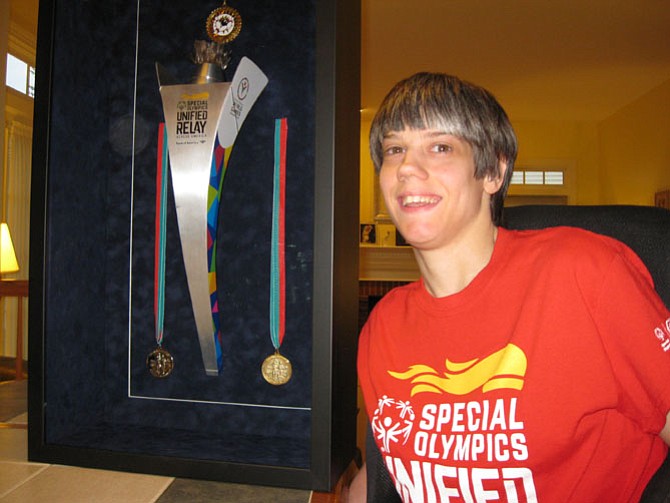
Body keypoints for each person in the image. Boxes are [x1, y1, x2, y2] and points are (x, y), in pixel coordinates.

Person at [349, 72, 670, 502]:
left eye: (440, 147)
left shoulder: (584, 272)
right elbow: (395, 469)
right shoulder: (383, 324)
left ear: (493, 171)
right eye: (394, 150)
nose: (407, 167)